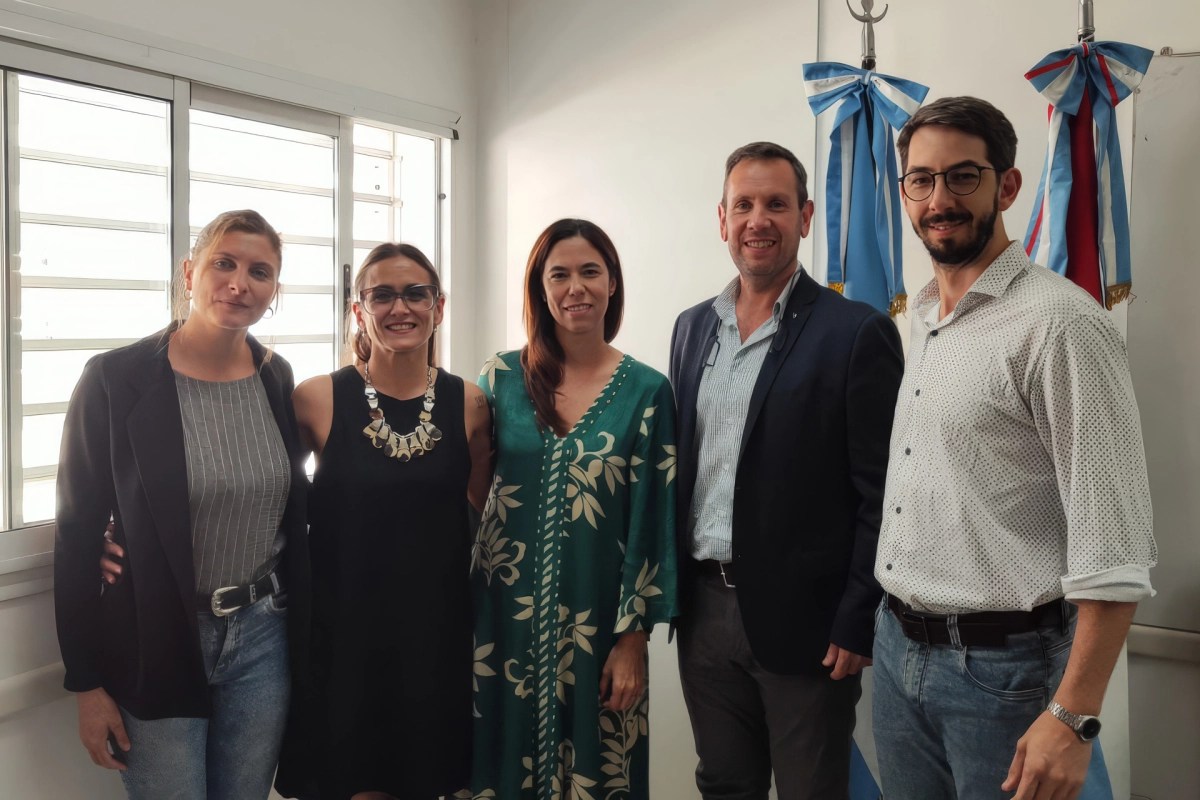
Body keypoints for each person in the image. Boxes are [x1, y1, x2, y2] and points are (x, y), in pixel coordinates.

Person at [872, 96, 1157, 800]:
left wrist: (1073, 716)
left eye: (963, 176)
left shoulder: (1060, 323)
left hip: (1006, 675)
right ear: (904, 192)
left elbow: (1115, 545)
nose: (940, 199)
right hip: (898, 655)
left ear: (1007, 186)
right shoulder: (924, 315)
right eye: (921, 180)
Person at [669, 142, 904, 799]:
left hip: (808, 624)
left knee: (811, 790)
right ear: (722, 219)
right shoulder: (692, 328)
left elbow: (883, 494)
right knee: (724, 785)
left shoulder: (856, 332)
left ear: (804, 217)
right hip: (703, 612)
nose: (758, 220)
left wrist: (857, 617)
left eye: (775, 204)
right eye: (743, 205)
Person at [56, 210, 313, 800]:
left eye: (260, 272)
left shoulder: (276, 377)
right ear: (189, 272)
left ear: (274, 289)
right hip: (159, 635)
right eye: (224, 263)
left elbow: (286, 504)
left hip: (264, 636)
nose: (239, 284)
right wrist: (86, 686)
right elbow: (76, 534)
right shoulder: (114, 379)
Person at [466, 219, 679, 800]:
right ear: (540, 289)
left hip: (598, 626)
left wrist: (632, 640)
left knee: (598, 770)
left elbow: (652, 520)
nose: (575, 287)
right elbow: (472, 492)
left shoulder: (647, 391)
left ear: (613, 283)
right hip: (500, 622)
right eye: (558, 275)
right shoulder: (499, 378)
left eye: (590, 272)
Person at [273, 243, 491, 800]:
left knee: (422, 780)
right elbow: (268, 495)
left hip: (434, 635)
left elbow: (489, 508)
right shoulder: (316, 399)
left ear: (438, 306)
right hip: (343, 634)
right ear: (358, 310)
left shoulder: (470, 403)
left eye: (416, 293)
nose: (401, 308)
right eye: (383, 295)